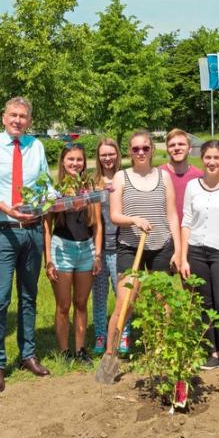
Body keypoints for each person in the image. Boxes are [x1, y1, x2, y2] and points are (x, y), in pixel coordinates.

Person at [0, 97, 51, 394]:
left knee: (29, 295)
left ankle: (28, 354)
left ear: (29, 120)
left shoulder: (37, 146)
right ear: (3, 117)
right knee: (0, 298)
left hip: (32, 231)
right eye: (13, 115)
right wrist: (8, 209)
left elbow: (45, 185)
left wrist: (64, 197)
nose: (18, 120)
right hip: (2, 231)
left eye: (23, 116)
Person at [102, 130, 181, 364]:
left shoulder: (164, 177)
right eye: (136, 149)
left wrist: (177, 249)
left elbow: (172, 216)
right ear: (129, 151)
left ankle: (161, 351)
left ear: (152, 150)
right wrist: (134, 220)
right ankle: (110, 354)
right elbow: (115, 215)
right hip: (129, 246)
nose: (141, 153)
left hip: (160, 246)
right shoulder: (121, 177)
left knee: (162, 302)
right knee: (124, 302)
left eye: (145, 148)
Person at [180, 140, 219, 373]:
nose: (212, 162)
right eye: (208, 157)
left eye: (217, 158)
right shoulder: (193, 186)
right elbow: (186, 220)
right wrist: (184, 256)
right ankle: (212, 352)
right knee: (204, 305)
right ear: (202, 159)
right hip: (196, 251)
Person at [44, 144, 102, 363]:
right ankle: (64, 351)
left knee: (81, 303)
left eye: (79, 159)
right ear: (63, 161)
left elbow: (97, 225)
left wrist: (97, 255)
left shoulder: (90, 188)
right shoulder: (54, 190)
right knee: (63, 305)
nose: (75, 163)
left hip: (86, 249)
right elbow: (47, 228)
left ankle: (79, 349)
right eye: (70, 159)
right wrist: (48, 260)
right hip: (62, 249)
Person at [91, 137, 128, 355]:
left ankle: (122, 332)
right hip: (98, 247)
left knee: (122, 293)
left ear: (117, 155)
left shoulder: (125, 178)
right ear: (98, 157)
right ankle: (100, 334)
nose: (107, 158)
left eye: (111, 154)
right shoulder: (92, 182)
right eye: (103, 154)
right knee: (100, 293)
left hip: (121, 244)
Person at [161, 128, 203, 225]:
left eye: (181, 144)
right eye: (172, 145)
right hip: (165, 235)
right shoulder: (157, 175)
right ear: (167, 149)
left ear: (190, 148)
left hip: (191, 234)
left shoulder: (200, 176)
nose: (176, 148)